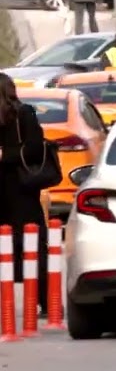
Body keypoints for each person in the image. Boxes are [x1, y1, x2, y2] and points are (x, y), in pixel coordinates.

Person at [0, 73, 50, 316]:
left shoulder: (22, 114)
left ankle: (45, 300)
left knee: (31, 243)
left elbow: (33, 148)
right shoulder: (26, 112)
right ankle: (46, 301)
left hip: (19, 187)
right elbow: (35, 147)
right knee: (33, 244)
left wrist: (4, 156)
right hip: (21, 190)